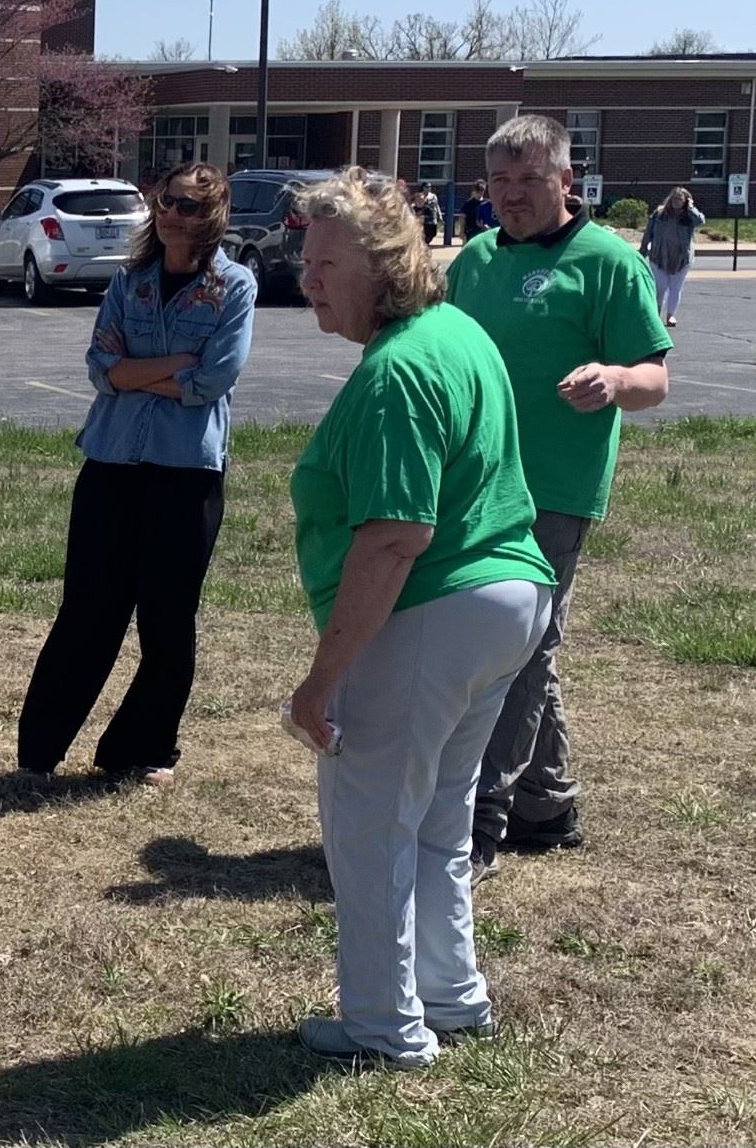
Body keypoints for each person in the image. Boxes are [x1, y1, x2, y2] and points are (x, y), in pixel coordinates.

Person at [286, 168, 555, 1068]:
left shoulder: (400, 368)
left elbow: (396, 536)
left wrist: (322, 679)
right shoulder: (454, 334)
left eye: (327, 262)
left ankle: (385, 1028)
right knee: (441, 815)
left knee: (369, 825)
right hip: (507, 600)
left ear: (385, 264)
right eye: (306, 259)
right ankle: (451, 993)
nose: (309, 278)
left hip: (440, 608)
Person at [447, 114, 670, 880]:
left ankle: (480, 824)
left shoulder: (607, 263)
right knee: (518, 645)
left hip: (555, 490)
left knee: (520, 648)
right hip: (475, 481)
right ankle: (549, 800)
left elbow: (655, 378)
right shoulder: (473, 260)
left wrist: (614, 380)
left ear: (567, 181)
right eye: (500, 182)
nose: (512, 196)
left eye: (530, 180)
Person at [17, 161, 255, 785]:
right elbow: (101, 367)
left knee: (167, 616)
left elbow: (214, 379)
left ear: (215, 217)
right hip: (112, 461)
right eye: (169, 202)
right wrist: (173, 364)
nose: (176, 216)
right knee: (88, 609)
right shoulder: (130, 281)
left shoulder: (235, 287)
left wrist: (139, 372)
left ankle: (142, 750)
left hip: (186, 471)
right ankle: (39, 752)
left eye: (192, 208)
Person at [641, 186, 706, 326]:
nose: (677, 201)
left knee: (675, 288)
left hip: (681, 258)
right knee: (659, 287)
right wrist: (643, 248)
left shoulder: (690, 216)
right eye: (674, 198)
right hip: (659, 255)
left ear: (686, 201)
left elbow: (700, 221)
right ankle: (656, 313)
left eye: (680, 199)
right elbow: (648, 232)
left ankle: (670, 315)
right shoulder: (659, 213)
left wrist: (691, 208)